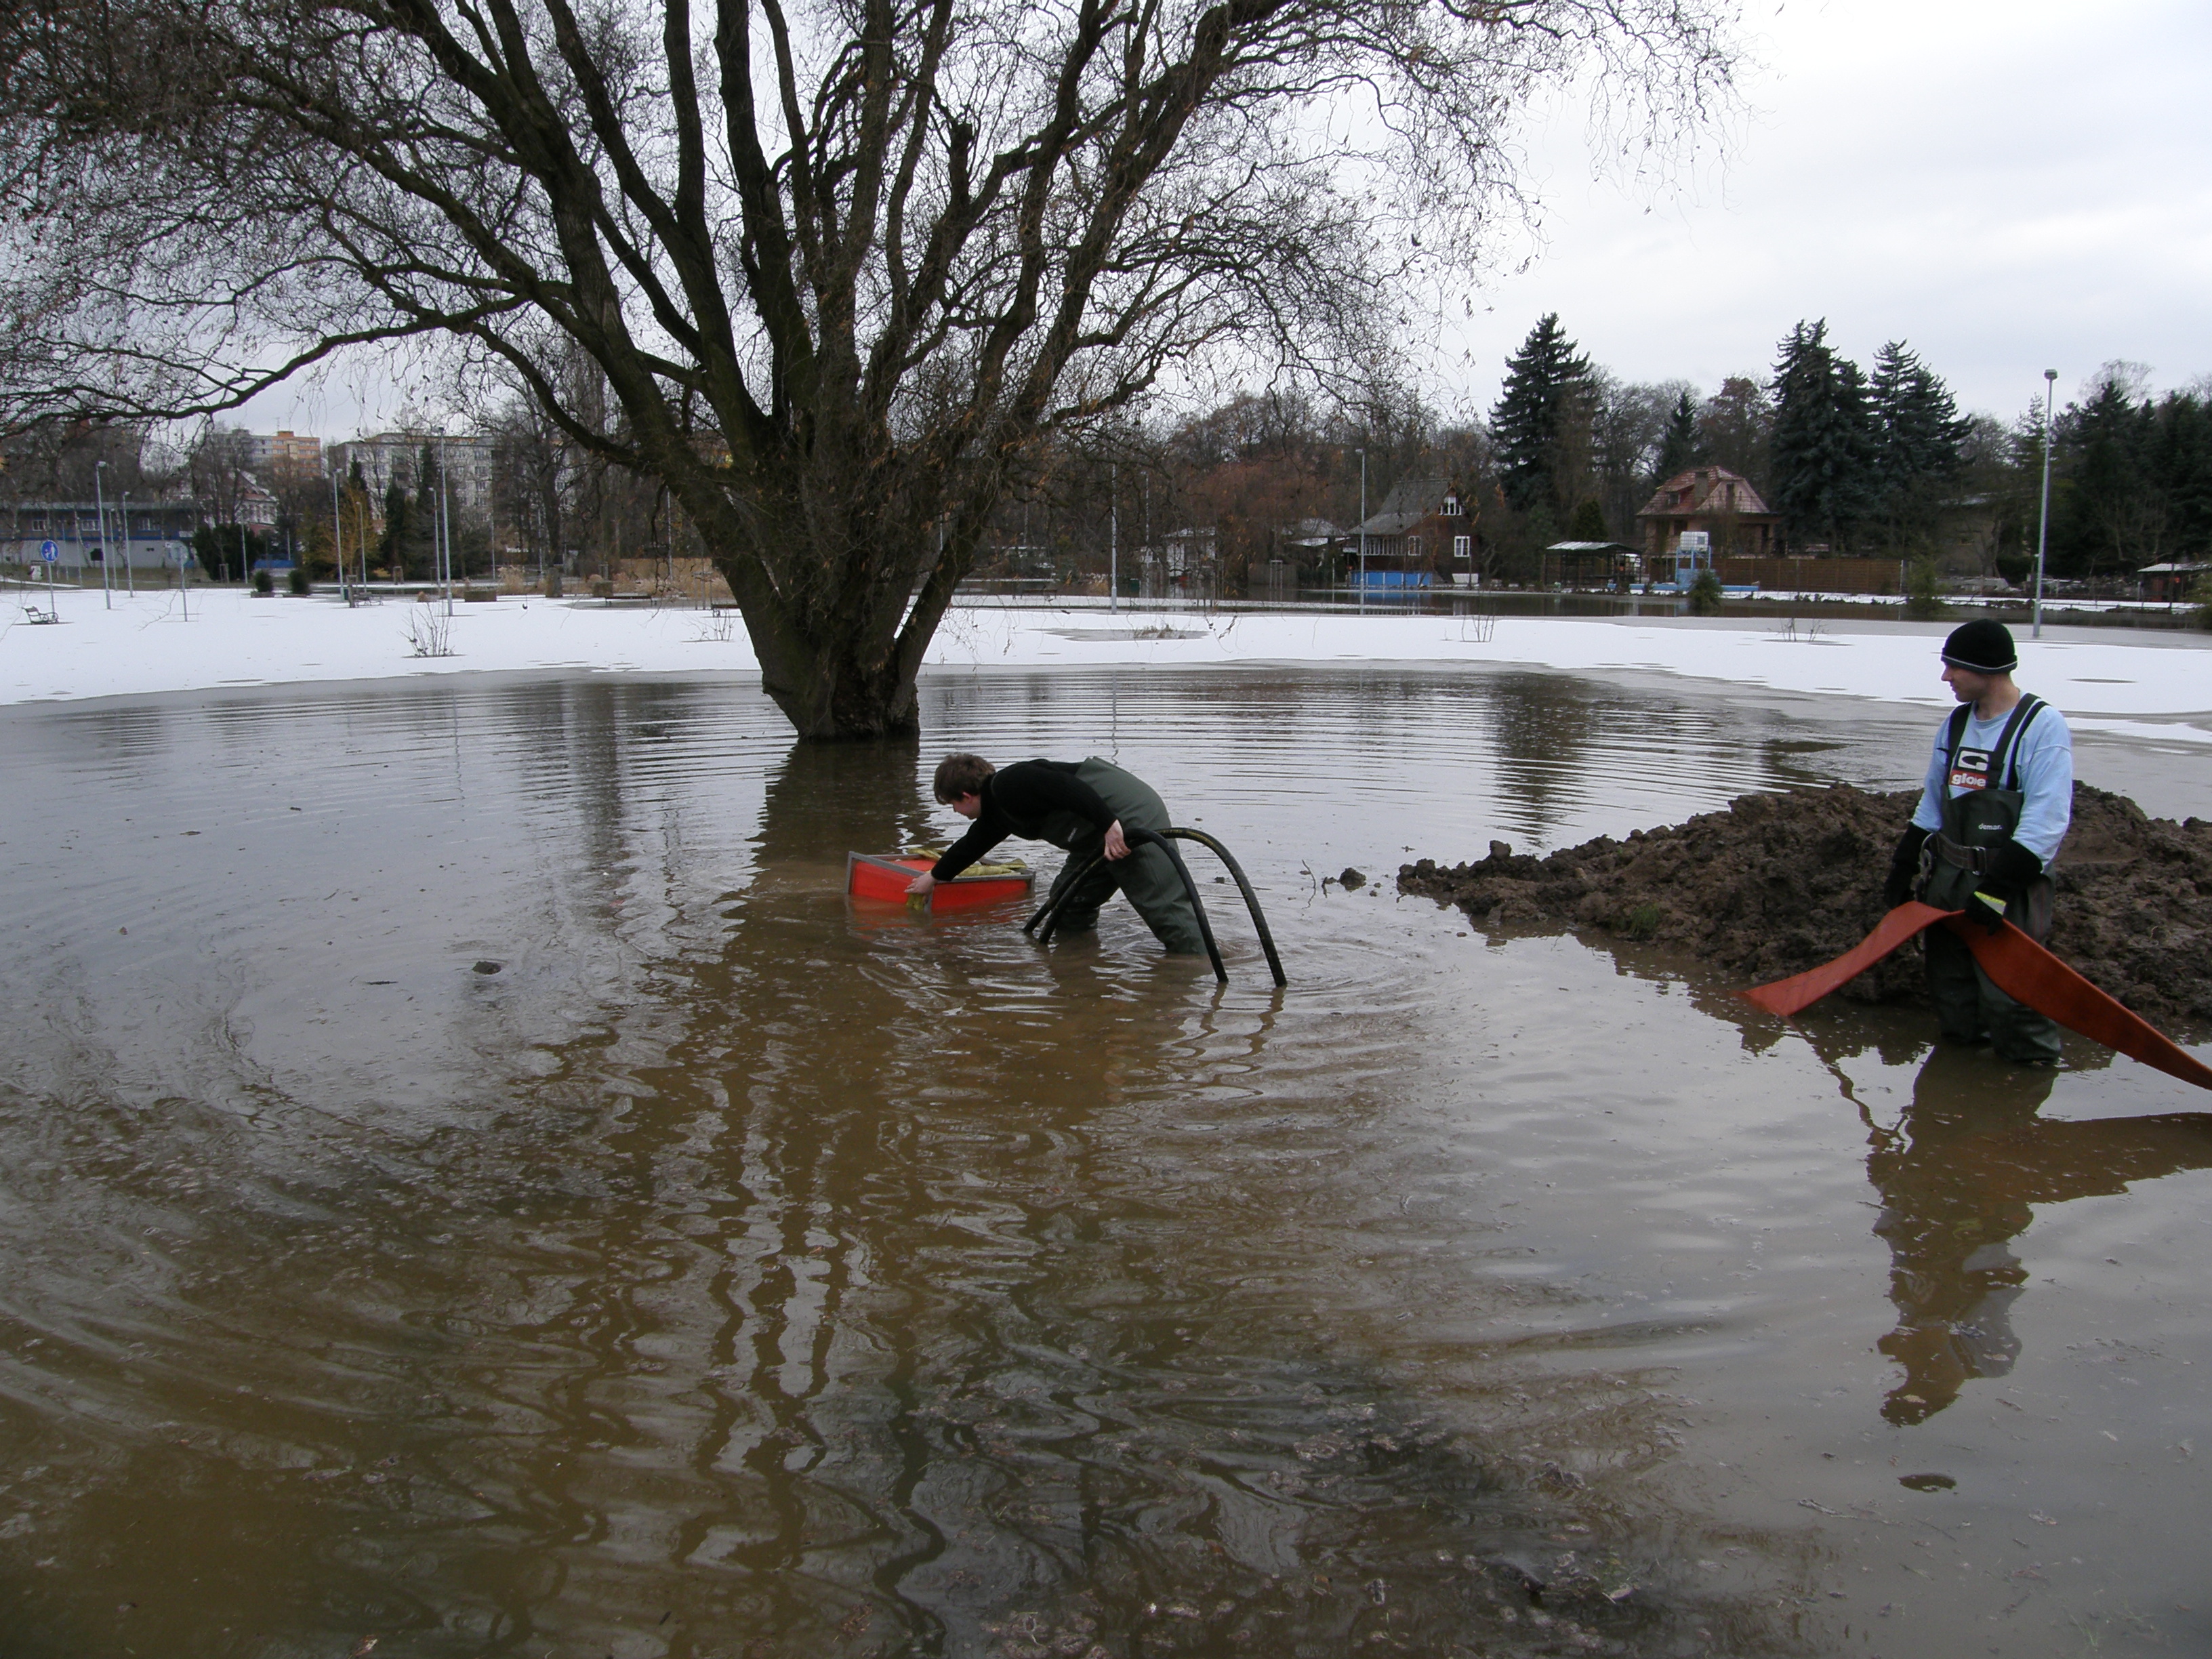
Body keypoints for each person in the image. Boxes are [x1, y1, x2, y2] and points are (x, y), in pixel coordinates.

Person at [1883, 619, 2073, 1063]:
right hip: (1948, 878)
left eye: (1953, 667)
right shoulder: (1956, 724)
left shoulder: (2041, 728)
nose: (1946, 677)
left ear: (1985, 670)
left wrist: (1997, 891)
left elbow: (2046, 822)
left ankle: (2027, 1085)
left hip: (2011, 884)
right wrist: (1903, 866)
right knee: (1954, 995)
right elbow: (1933, 802)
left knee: (2012, 997)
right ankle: (1960, 1093)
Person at [907, 754, 1206, 954]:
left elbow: (1068, 788)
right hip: (1096, 834)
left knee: (1165, 910)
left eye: (953, 805)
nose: (957, 812)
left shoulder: (1012, 783)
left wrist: (1110, 825)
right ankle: (1078, 963)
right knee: (1067, 903)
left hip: (1127, 816)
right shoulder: (998, 813)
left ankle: (1201, 967)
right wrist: (933, 878)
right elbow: (970, 846)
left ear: (966, 796)